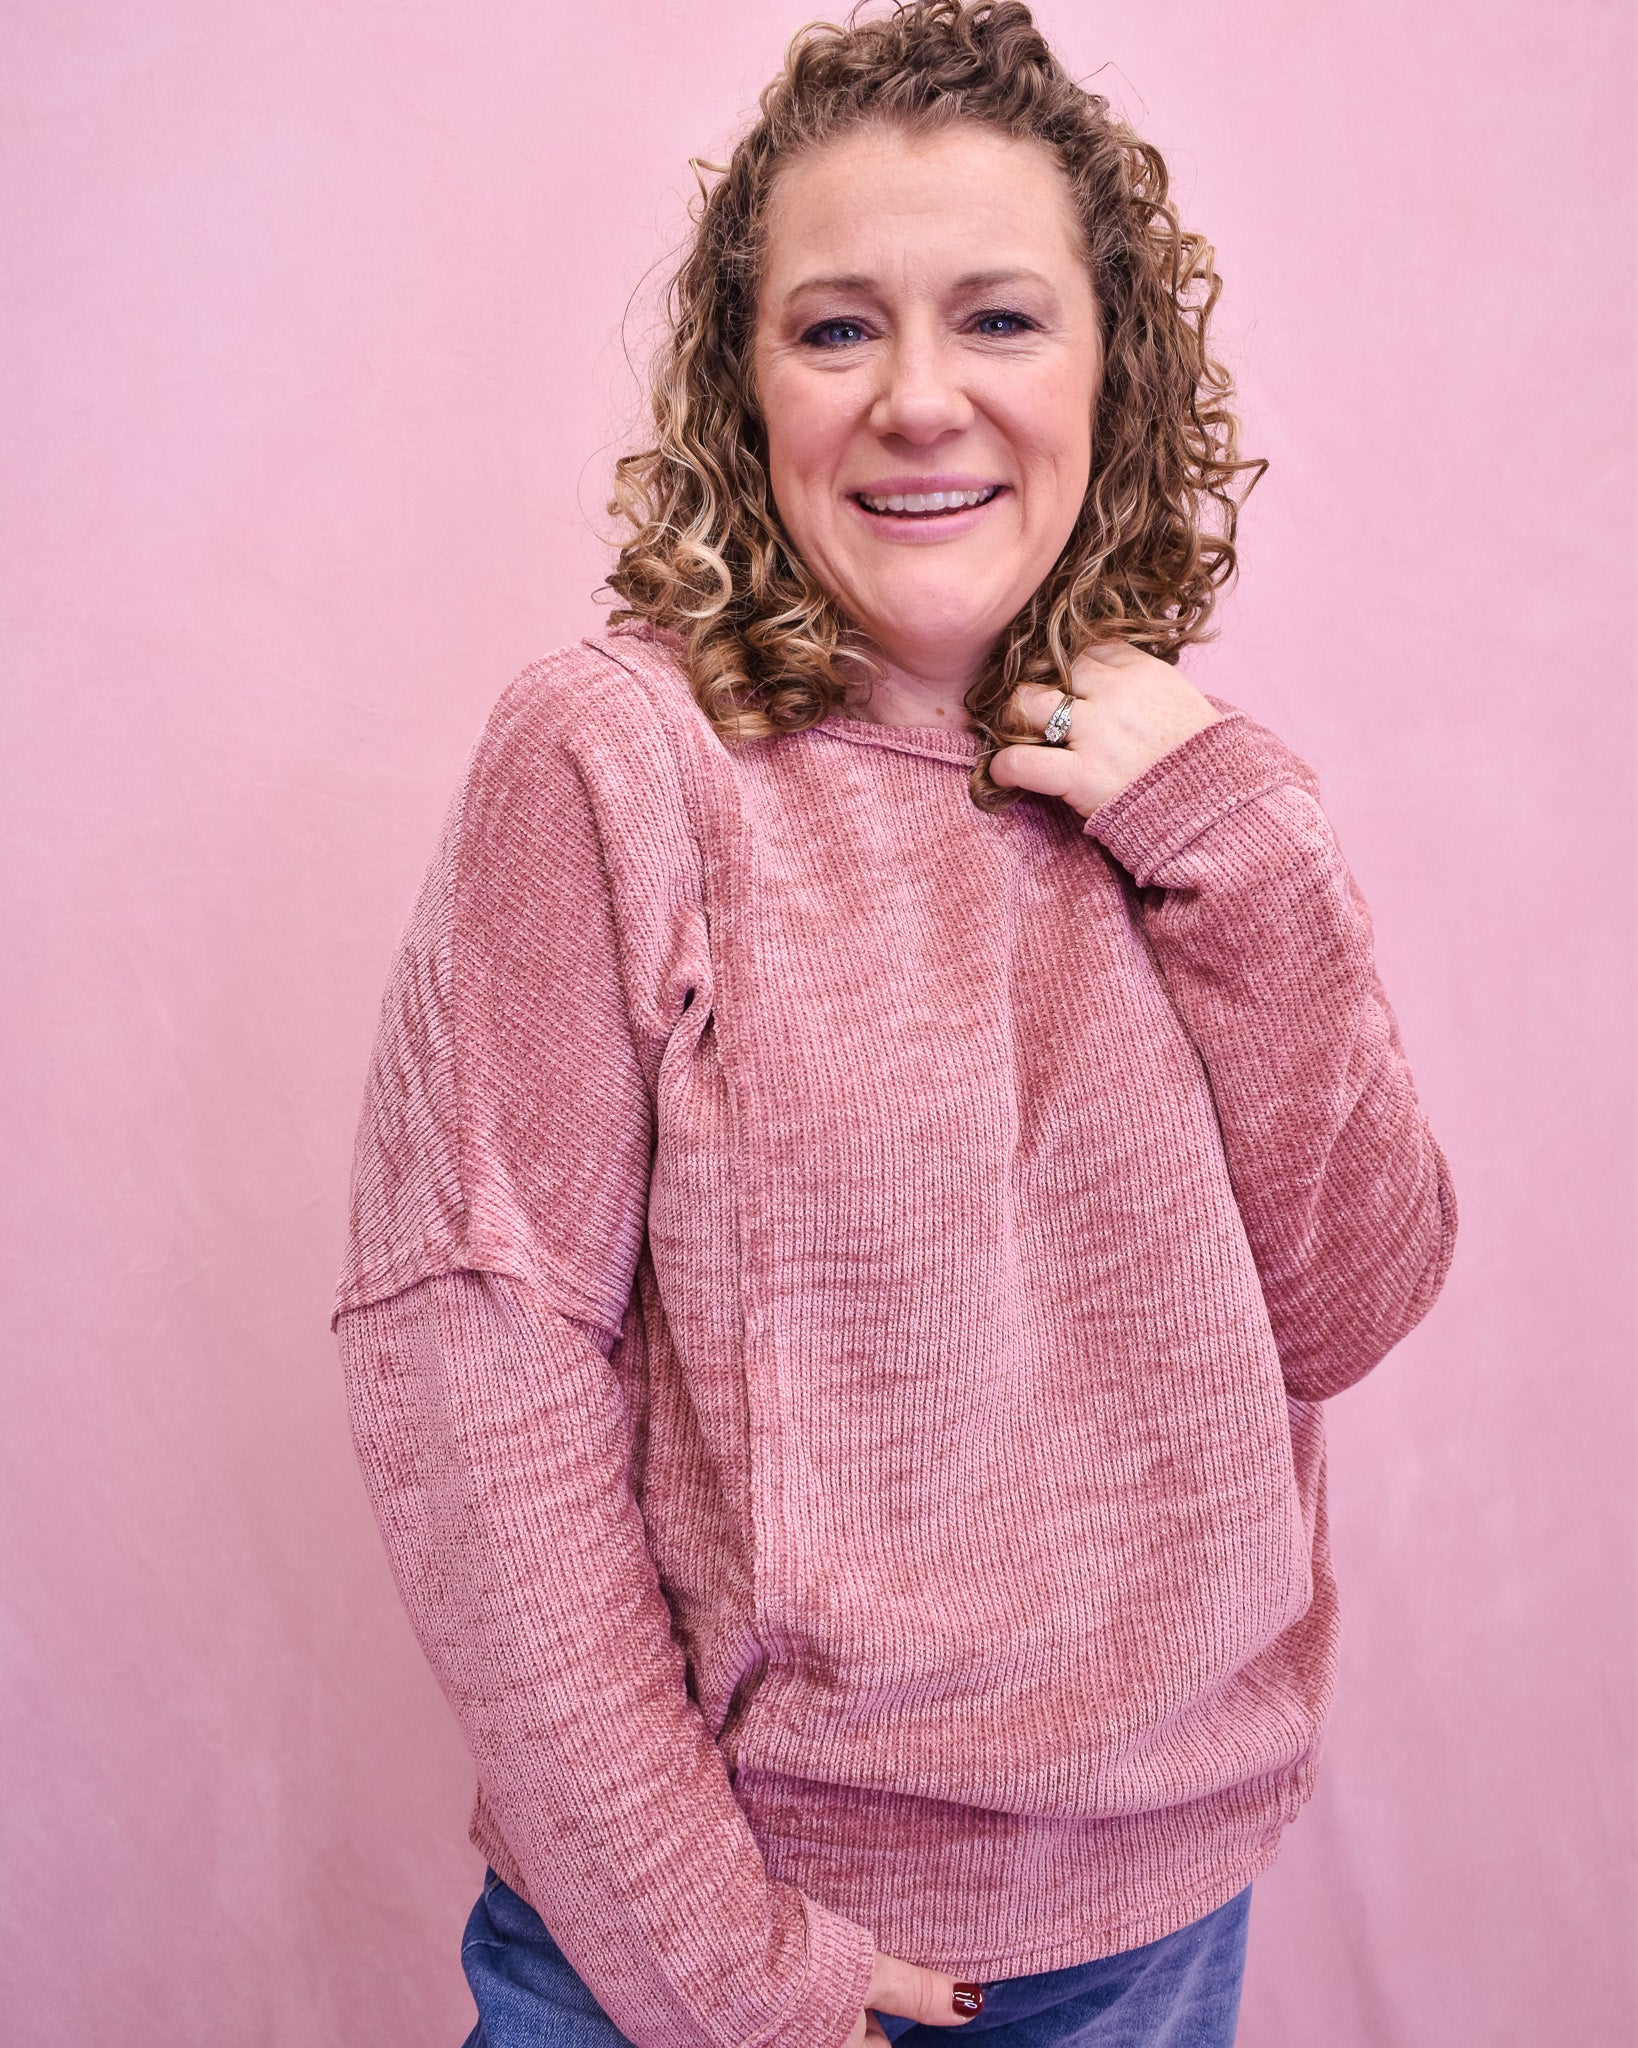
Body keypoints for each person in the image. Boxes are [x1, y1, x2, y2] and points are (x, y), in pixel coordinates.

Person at [332, 3, 1458, 2043]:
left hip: (1153, 1924)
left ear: (1113, 370)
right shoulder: (618, 760)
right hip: (720, 1943)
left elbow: (1351, 1300)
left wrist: (1242, 840)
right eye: (837, 328)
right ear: (742, 388)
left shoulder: (1186, 797)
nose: (920, 398)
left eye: (999, 319)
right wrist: (728, 1970)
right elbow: (469, 1379)